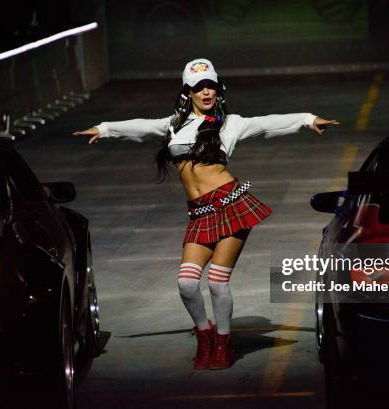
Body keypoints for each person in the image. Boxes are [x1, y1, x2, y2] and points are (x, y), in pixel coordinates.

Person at [73, 58, 339, 370]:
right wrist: (104, 129)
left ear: (218, 88)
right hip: (200, 213)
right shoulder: (174, 125)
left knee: (216, 282)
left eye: (211, 85)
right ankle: (205, 334)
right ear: (188, 92)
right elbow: (142, 126)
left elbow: (267, 122)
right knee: (186, 283)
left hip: (231, 205)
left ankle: (223, 343)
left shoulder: (230, 123)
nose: (207, 92)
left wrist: (308, 119)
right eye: (200, 87)